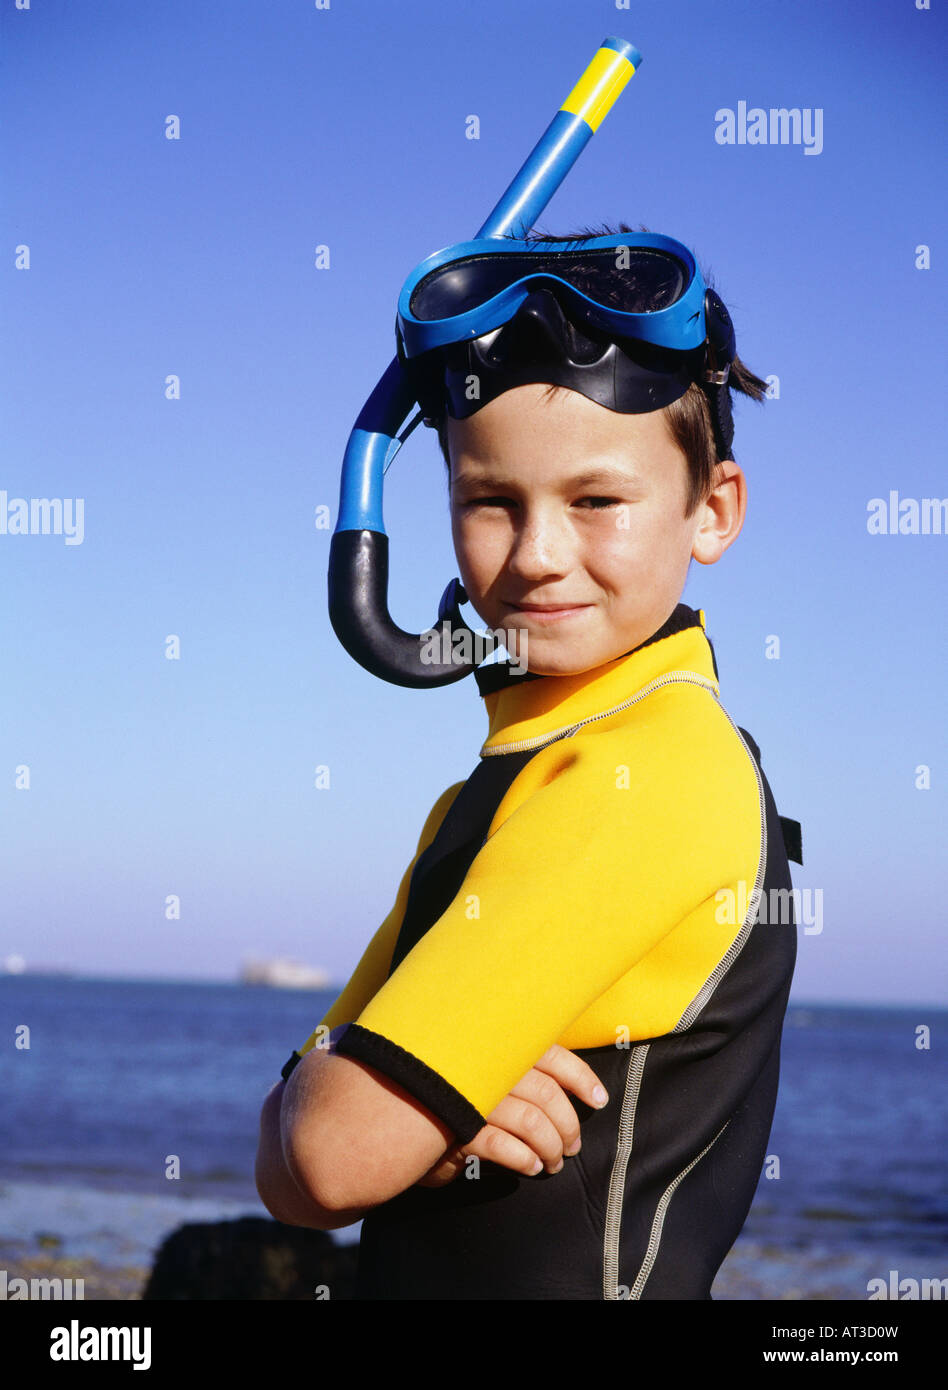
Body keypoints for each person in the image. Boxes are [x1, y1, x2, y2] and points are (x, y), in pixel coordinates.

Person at [255, 224, 801, 1299]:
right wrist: (429, 1113)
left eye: (597, 501)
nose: (539, 553)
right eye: (490, 501)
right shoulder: (507, 777)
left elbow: (320, 1153)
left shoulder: (642, 773)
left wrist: (378, 1109)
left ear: (713, 509)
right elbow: (299, 1160)